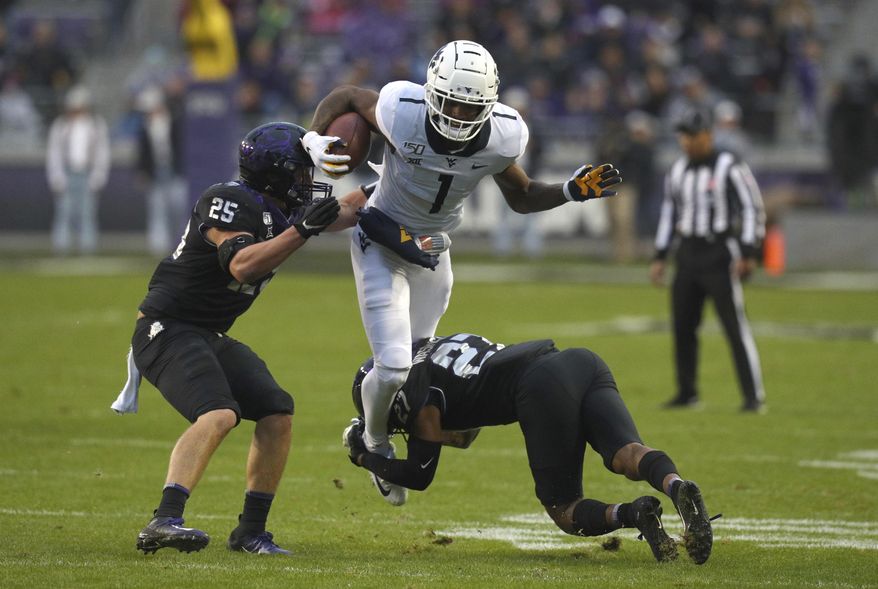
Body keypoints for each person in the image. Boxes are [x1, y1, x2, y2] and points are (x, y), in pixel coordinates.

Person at [301, 40, 622, 505]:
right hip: (382, 241)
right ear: (431, 90)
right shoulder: (400, 108)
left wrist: (569, 191)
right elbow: (348, 96)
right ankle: (371, 439)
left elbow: (523, 194)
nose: (456, 114)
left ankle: (412, 436)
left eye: (469, 107)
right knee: (392, 366)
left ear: (489, 105)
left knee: (416, 369)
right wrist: (313, 136)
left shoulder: (503, 136)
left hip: (433, 251)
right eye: (450, 101)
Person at [121, 122, 362, 555]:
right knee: (219, 413)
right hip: (166, 328)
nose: (308, 182)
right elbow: (243, 265)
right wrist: (302, 230)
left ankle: (250, 532)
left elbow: (349, 211)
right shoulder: (226, 199)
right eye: (301, 172)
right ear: (277, 173)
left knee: (276, 411)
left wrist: (398, 176)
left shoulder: (284, 209)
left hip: (206, 333)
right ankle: (164, 519)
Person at [342, 332, 714, 565]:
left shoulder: (421, 399)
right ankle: (676, 485)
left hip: (540, 388)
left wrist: (365, 457)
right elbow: (465, 435)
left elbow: (419, 476)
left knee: (563, 508)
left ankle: (635, 514)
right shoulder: (430, 351)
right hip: (578, 362)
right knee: (627, 454)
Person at [649, 108, 767, 412]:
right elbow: (669, 214)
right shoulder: (677, 170)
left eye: (692, 135)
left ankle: (753, 396)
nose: (687, 142)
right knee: (683, 326)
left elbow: (752, 207)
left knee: (734, 326)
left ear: (707, 135)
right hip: (687, 253)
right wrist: (661, 255)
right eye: (683, 136)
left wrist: (750, 251)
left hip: (719, 252)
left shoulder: (729, 165)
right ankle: (687, 392)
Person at [45, 85, 111, 255]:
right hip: (68, 173)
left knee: (88, 213)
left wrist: (98, 175)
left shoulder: (96, 125)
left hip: (87, 173)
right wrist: (56, 176)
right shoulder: (61, 126)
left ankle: (87, 248)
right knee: (64, 211)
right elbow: (54, 153)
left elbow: (102, 153)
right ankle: (61, 247)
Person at [134, 85, 188, 256]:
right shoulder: (144, 127)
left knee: (178, 210)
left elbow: (181, 147)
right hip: (156, 173)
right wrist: (142, 171)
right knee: (157, 211)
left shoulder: (173, 121)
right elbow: (142, 152)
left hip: (174, 171)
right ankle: (158, 247)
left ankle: (180, 244)